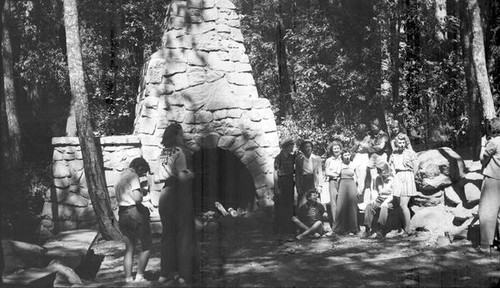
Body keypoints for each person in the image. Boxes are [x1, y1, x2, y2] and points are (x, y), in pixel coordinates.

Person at [154, 123, 197, 286]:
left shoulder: (162, 153)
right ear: (176, 136)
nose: (182, 137)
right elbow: (182, 177)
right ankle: (184, 276)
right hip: (178, 194)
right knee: (184, 236)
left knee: (168, 236)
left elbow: (159, 176)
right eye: (181, 134)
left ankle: (165, 273)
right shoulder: (179, 152)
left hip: (164, 195)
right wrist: (190, 175)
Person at [115, 157, 153, 282]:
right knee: (146, 245)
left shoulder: (121, 176)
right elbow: (137, 198)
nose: (142, 175)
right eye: (142, 172)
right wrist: (142, 192)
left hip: (122, 213)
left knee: (129, 248)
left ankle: (128, 278)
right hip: (133, 213)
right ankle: (140, 276)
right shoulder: (133, 176)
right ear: (140, 168)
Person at [478, 117, 500, 253]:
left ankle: (485, 245)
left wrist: (482, 145)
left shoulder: (493, 142)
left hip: (494, 178)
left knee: (487, 211)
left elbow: (482, 159)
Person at [389, 134, 418, 237]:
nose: (401, 145)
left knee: (403, 205)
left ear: (406, 143)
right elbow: (391, 165)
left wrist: (410, 177)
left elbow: (416, 167)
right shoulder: (394, 154)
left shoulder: (410, 153)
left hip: (407, 176)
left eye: (403, 143)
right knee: (397, 205)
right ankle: (400, 229)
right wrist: (394, 175)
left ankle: (407, 229)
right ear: (396, 143)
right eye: (399, 143)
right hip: (398, 176)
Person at [362, 164, 395, 239]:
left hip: (389, 200)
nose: (379, 173)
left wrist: (386, 202)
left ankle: (380, 230)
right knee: (369, 207)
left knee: (384, 208)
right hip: (379, 199)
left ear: (386, 171)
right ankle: (367, 229)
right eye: (379, 171)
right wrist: (373, 199)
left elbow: (392, 194)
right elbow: (375, 191)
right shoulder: (377, 179)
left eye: (381, 171)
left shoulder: (392, 180)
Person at [274, 139, 297, 235]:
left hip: (290, 181)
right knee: (281, 206)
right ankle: (281, 229)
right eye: (291, 146)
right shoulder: (278, 157)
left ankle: (290, 228)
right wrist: (276, 187)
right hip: (282, 181)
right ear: (286, 147)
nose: (292, 148)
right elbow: (275, 172)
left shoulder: (292, 157)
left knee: (290, 204)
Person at [333, 149, 359, 235]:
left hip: (351, 183)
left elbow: (357, 177)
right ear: (342, 157)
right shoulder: (339, 165)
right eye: (345, 155)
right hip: (342, 184)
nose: (347, 157)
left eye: (348, 155)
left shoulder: (353, 164)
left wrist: (357, 188)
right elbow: (336, 176)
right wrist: (337, 188)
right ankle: (338, 229)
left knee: (352, 206)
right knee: (340, 206)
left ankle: (353, 229)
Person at [295, 140, 323, 208]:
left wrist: (320, 186)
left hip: (313, 181)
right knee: (303, 202)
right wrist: (298, 187)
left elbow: (320, 173)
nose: (308, 148)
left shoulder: (317, 158)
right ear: (302, 149)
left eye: (310, 146)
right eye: (306, 147)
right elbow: (297, 175)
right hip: (304, 181)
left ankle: (317, 217)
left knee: (315, 200)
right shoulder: (299, 159)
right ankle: (304, 218)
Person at [367, 118, 390, 195]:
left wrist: (371, 148)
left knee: (383, 176)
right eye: (371, 126)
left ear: (378, 126)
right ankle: (373, 196)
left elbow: (381, 147)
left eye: (373, 126)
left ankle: (384, 195)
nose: (372, 128)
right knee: (373, 178)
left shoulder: (384, 135)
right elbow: (368, 148)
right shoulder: (372, 136)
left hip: (381, 156)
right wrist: (373, 148)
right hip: (373, 157)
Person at [351, 123, 372, 203]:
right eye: (359, 132)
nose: (361, 133)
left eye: (362, 132)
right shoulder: (354, 138)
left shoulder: (369, 138)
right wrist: (355, 146)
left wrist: (365, 146)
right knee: (351, 171)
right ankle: (353, 192)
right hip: (357, 156)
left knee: (362, 176)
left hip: (364, 156)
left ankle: (359, 195)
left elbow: (370, 149)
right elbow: (351, 150)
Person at [324, 140, 343, 229]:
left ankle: (343, 223)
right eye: (334, 148)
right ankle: (335, 224)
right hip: (332, 181)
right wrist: (336, 175)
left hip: (342, 181)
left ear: (340, 149)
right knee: (334, 202)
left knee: (342, 201)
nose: (336, 150)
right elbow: (327, 172)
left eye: (337, 148)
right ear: (331, 150)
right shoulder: (329, 160)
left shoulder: (343, 159)